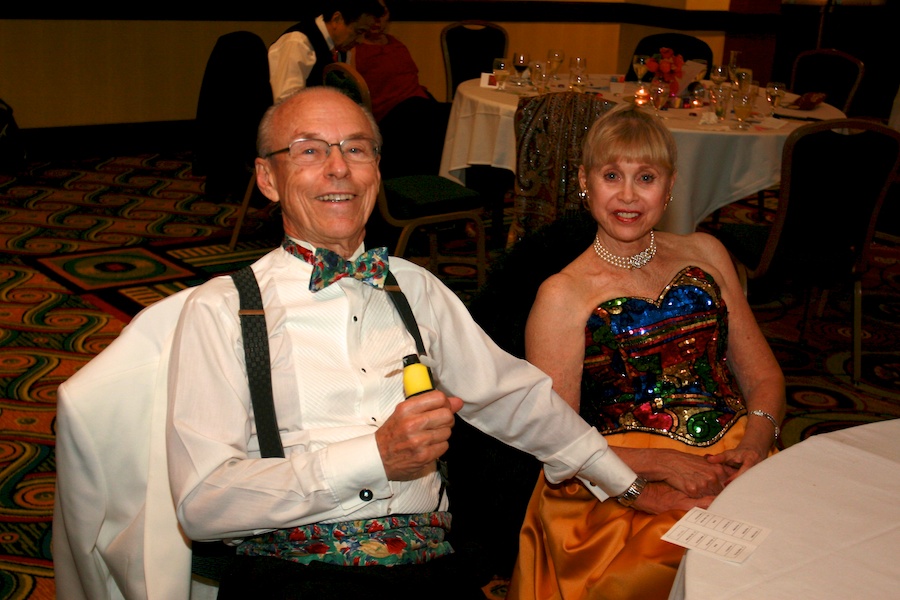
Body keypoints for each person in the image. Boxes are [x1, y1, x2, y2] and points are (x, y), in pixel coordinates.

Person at [165, 88, 711, 597]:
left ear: (376, 170)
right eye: (309, 151)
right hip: (292, 573)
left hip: (429, 570)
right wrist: (372, 457)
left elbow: (515, 397)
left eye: (356, 149)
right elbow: (202, 503)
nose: (339, 168)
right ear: (267, 177)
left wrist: (629, 485)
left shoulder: (414, 286)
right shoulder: (220, 310)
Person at [506, 102, 786, 600]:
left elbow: (764, 378)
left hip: (735, 453)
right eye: (612, 175)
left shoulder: (707, 252)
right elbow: (557, 441)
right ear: (584, 182)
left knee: (795, 542)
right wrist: (661, 474)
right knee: (666, 572)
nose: (629, 195)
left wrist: (754, 446)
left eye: (647, 177)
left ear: (671, 185)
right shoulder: (562, 295)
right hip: (617, 478)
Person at [350, 0, 450, 178]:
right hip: (389, 113)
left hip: (417, 103)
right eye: (372, 16)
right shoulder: (354, 48)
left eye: (382, 15)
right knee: (424, 115)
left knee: (454, 113)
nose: (377, 21)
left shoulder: (395, 43)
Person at [267, 0, 384, 103]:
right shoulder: (297, 43)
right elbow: (287, 103)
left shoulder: (343, 48)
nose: (360, 40)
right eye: (359, 32)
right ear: (336, 19)